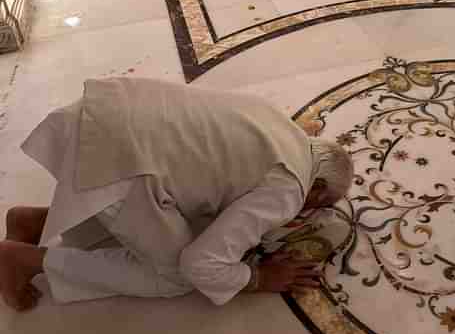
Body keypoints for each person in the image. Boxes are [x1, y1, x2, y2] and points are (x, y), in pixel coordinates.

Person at [0, 77, 354, 312]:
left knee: (169, 221)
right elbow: (200, 263)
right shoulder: (290, 188)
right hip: (117, 159)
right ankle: (23, 260)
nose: (303, 215)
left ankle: (33, 221)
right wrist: (257, 277)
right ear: (317, 188)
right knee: (173, 276)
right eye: (316, 206)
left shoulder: (281, 127)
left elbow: (201, 181)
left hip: (95, 116)